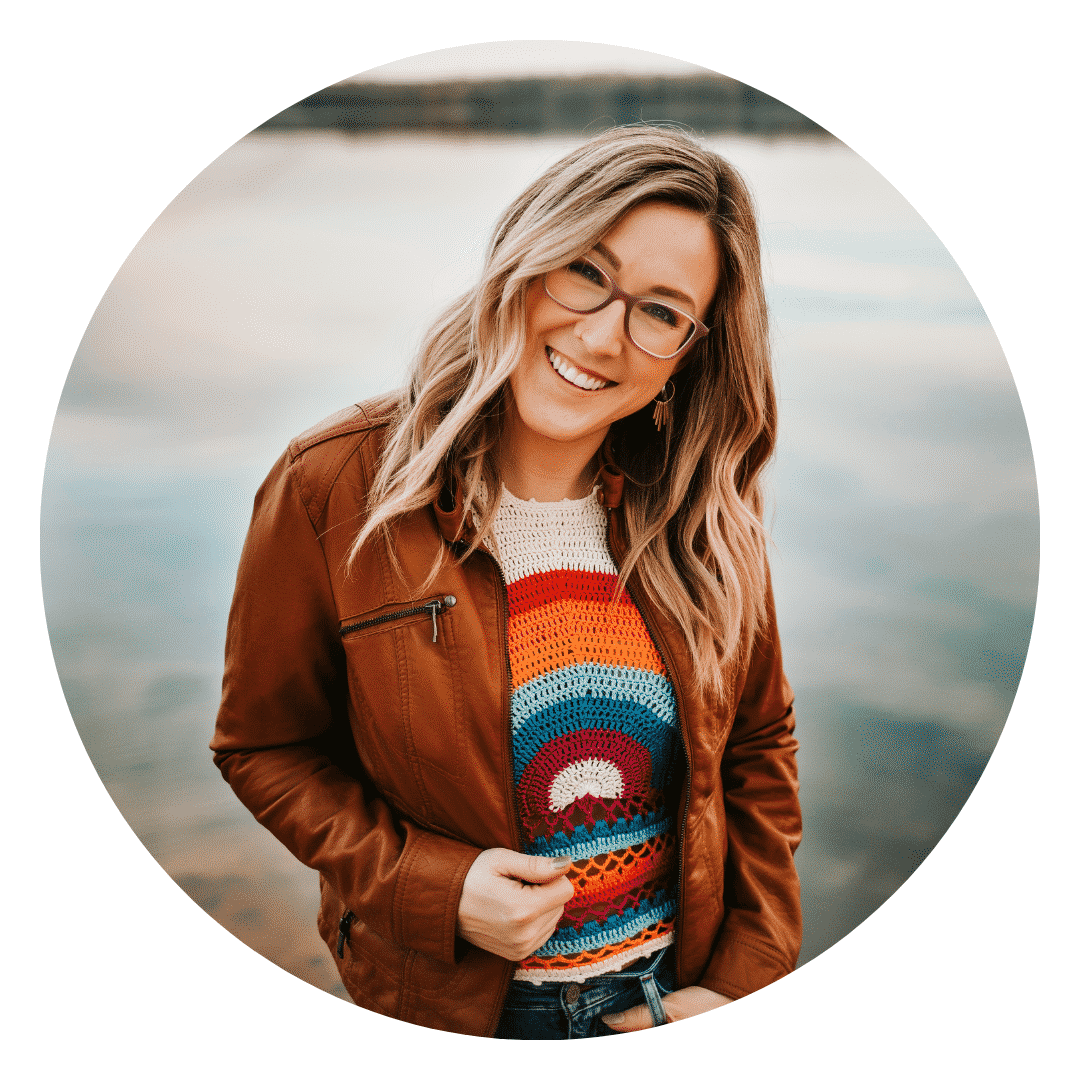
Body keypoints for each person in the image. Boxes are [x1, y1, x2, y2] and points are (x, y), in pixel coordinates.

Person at [211, 125, 801, 1039]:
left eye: (660, 311)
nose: (602, 334)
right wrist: (433, 888)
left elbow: (760, 744)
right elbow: (265, 750)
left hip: (668, 1009)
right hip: (451, 1016)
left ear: (688, 354)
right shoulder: (333, 485)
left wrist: (740, 984)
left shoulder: (709, 517)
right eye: (585, 271)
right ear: (523, 261)